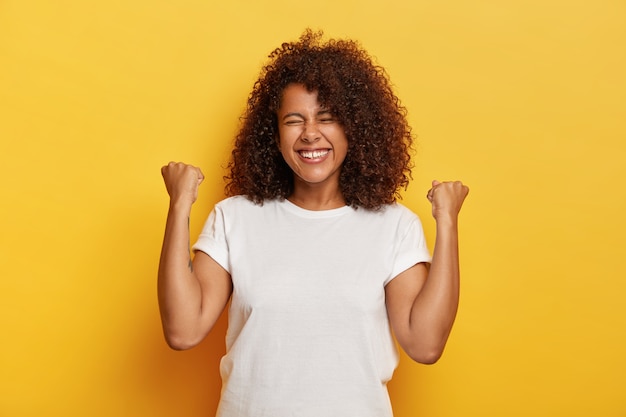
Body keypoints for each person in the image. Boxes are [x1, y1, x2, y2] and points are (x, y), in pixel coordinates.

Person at [158, 29, 469, 417]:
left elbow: (425, 345)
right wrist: (180, 206)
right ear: (274, 135)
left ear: (354, 129)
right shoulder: (235, 217)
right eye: (294, 120)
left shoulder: (394, 226)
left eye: (327, 118)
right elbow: (182, 331)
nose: (310, 133)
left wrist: (447, 222)